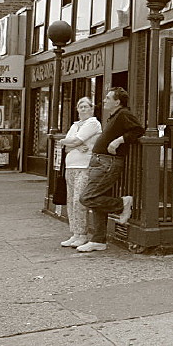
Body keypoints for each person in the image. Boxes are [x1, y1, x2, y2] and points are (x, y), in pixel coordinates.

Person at [77, 88, 144, 253]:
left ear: (117, 101)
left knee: (87, 197)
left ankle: (122, 203)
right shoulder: (114, 116)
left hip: (108, 162)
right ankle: (98, 240)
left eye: (108, 98)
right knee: (96, 198)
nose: (104, 100)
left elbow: (138, 130)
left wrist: (118, 141)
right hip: (100, 162)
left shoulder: (124, 114)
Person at [59, 97, 102, 248]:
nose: (83, 109)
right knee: (70, 200)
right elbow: (68, 147)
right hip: (70, 166)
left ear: (92, 108)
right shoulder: (75, 125)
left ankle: (82, 234)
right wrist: (72, 145)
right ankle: (75, 233)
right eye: (80, 107)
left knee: (79, 199)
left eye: (86, 106)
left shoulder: (93, 123)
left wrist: (66, 142)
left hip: (85, 166)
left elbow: (74, 141)